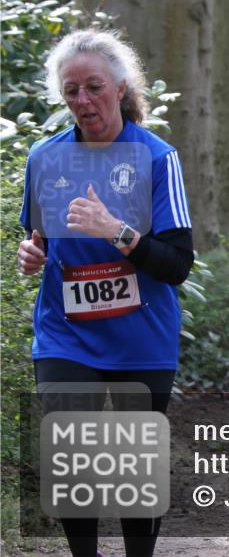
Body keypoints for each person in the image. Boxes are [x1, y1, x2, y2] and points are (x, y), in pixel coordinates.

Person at [17, 29, 194, 557]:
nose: (83, 101)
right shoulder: (44, 158)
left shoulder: (157, 158)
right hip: (66, 332)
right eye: (71, 91)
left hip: (141, 334)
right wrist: (31, 256)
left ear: (119, 88)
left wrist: (115, 230)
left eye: (94, 87)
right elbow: (38, 241)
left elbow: (176, 265)